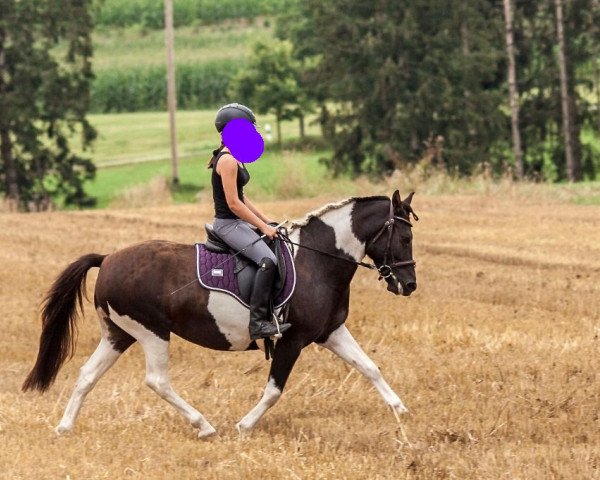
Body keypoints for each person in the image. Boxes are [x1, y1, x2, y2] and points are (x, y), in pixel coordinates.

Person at [208, 103, 291, 340]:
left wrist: (268, 221)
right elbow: (233, 204)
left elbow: (243, 198)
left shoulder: (234, 156)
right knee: (267, 260)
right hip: (228, 225)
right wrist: (262, 227)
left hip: (238, 222)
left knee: (275, 246)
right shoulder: (227, 161)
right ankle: (257, 323)